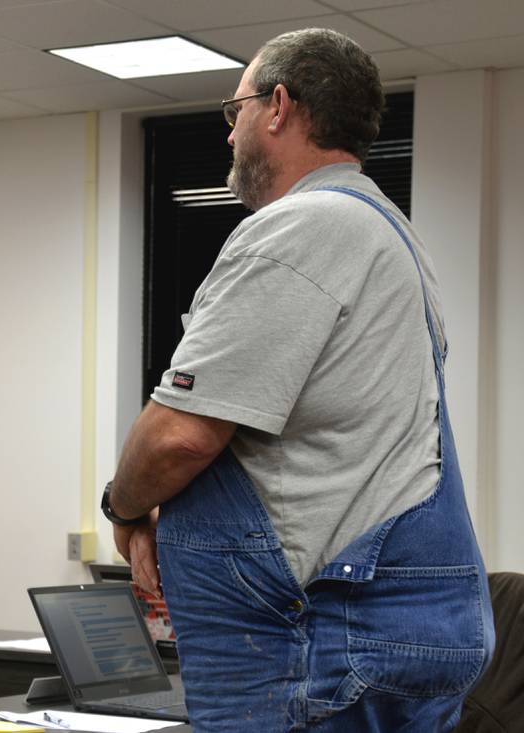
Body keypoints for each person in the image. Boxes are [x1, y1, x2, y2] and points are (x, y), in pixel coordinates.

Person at [101, 28, 494, 732]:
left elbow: (181, 438)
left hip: (320, 646)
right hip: (384, 630)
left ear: (278, 106)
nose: (229, 136)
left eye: (236, 111)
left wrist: (124, 508)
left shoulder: (299, 227)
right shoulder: (394, 236)